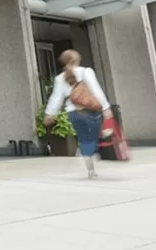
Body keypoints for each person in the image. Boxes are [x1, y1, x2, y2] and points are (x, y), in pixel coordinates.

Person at [44, 49, 112, 180]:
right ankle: (93, 152)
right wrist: (105, 107)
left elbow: (56, 97)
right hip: (90, 111)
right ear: (77, 60)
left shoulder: (59, 78)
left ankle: (91, 169)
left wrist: (50, 113)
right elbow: (95, 89)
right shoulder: (86, 72)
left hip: (73, 113)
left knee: (84, 140)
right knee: (96, 136)